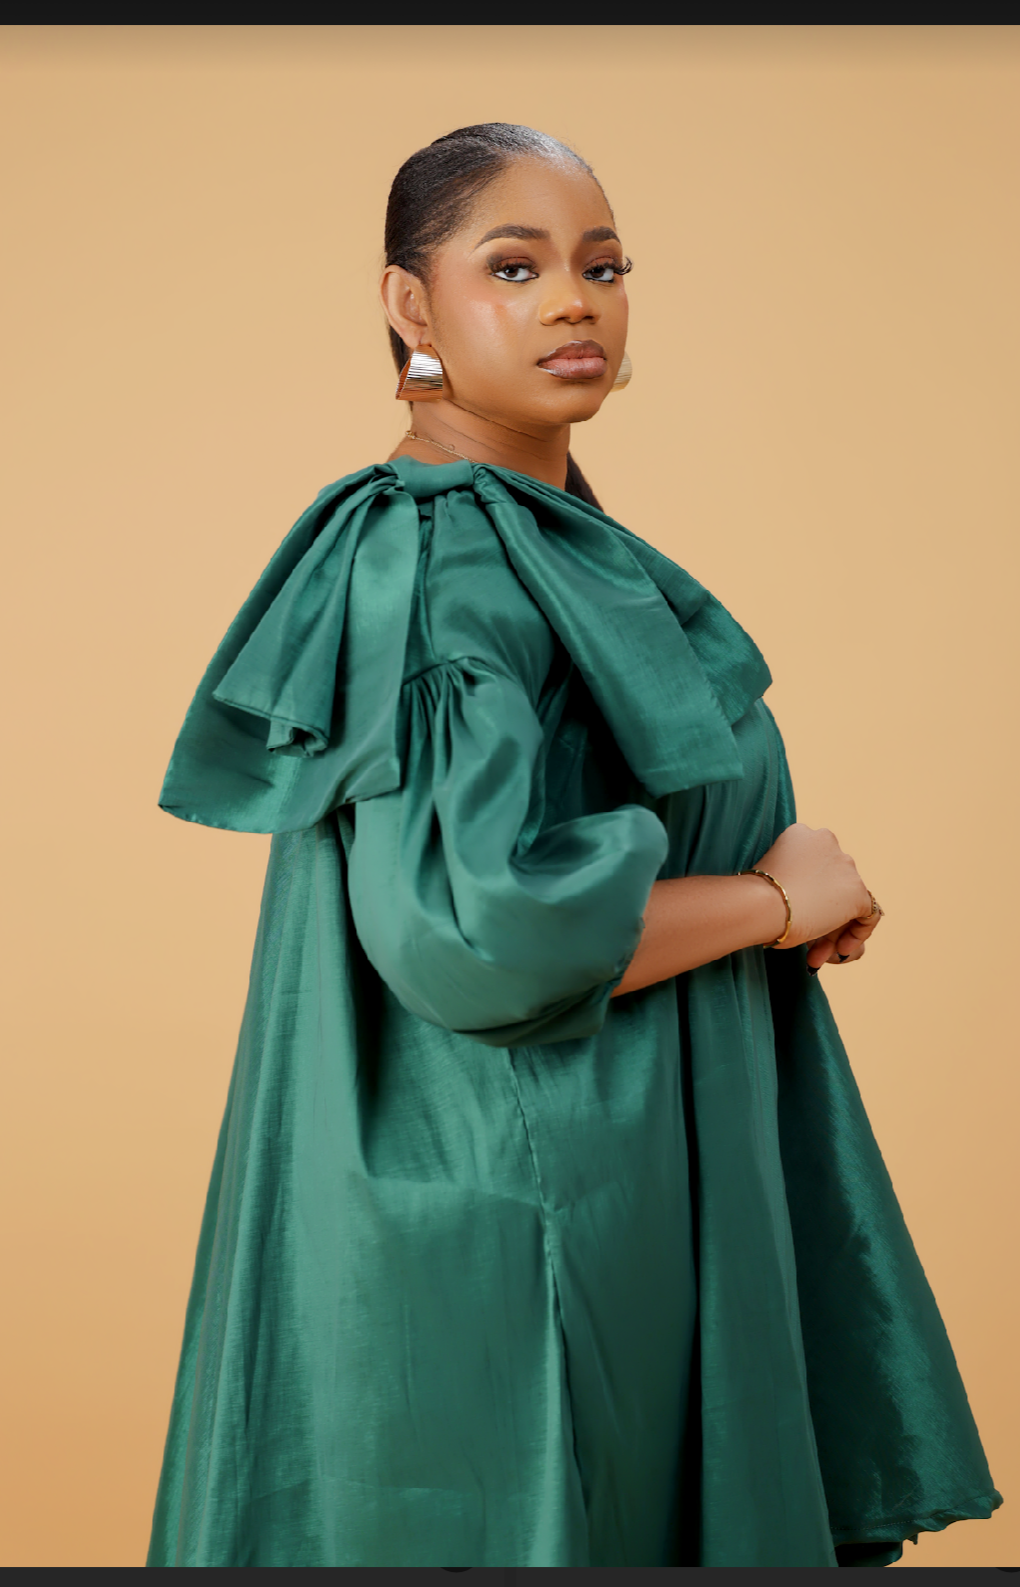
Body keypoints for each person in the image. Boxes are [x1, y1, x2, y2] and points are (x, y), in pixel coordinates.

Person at [146, 124, 1002, 1568]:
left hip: (606, 1191)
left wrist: (767, 902)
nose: (573, 302)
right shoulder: (435, 558)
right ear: (411, 308)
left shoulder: (533, 532)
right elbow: (482, 932)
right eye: (515, 266)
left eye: (603, 267)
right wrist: (769, 901)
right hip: (520, 1213)